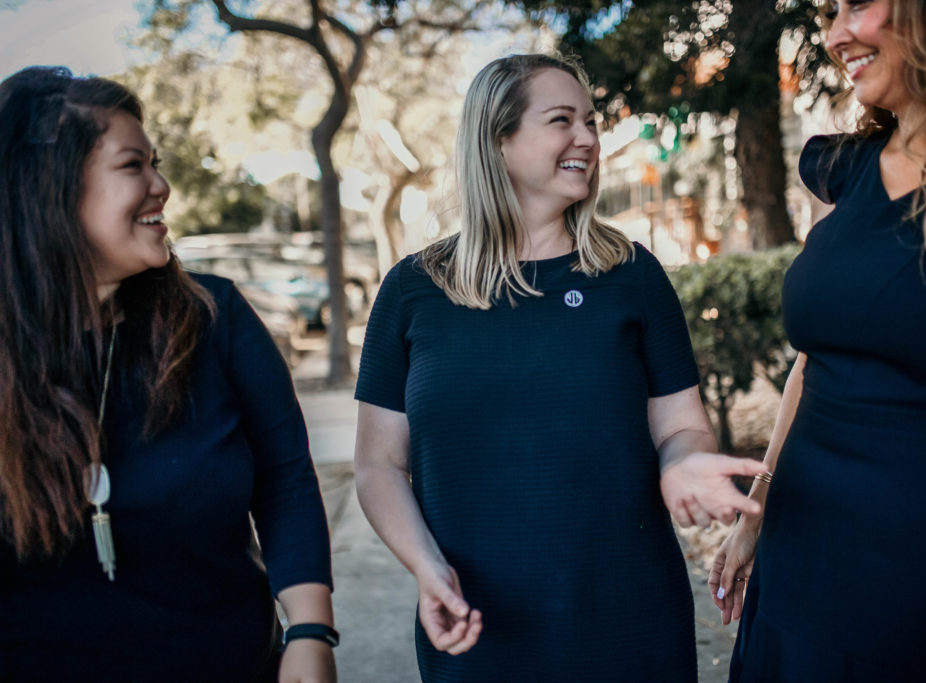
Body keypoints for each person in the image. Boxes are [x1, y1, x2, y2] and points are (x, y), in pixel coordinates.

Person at [353, 52, 768, 681]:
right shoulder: (414, 291)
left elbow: (681, 426)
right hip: (475, 623)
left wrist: (684, 464)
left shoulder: (632, 275)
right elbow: (379, 464)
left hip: (628, 617)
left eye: (591, 122)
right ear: (498, 141)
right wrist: (426, 569)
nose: (588, 139)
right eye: (561, 120)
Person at [709, 0, 926, 680]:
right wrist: (755, 515)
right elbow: (813, 361)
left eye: (858, 5)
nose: (835, 34)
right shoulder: (842, 170)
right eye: (827, 12)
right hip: (798, 561)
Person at [0, 66, 336, 682]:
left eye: (155, 162)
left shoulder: (216, 316)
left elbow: (284, 480)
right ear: (48, 188)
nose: (162, 186)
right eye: (133, 166)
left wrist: (310, 635)